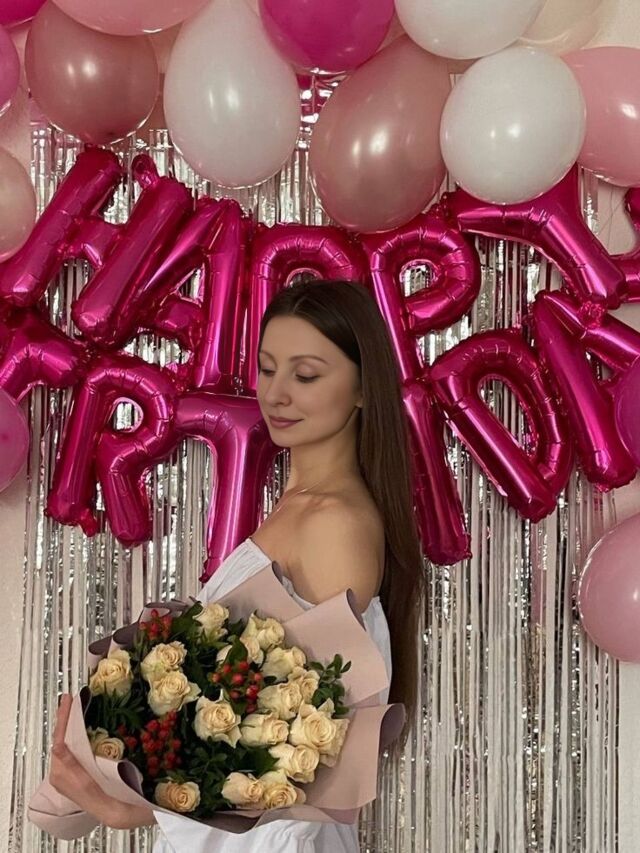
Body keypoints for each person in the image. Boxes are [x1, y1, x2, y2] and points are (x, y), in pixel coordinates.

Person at [47, 279, 427, 852]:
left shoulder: (335, 524)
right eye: (267, 369)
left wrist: (135, 811)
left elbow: (308, 766)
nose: (276, 394)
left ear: (361, 388)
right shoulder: (302, 505)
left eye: (305, 375)